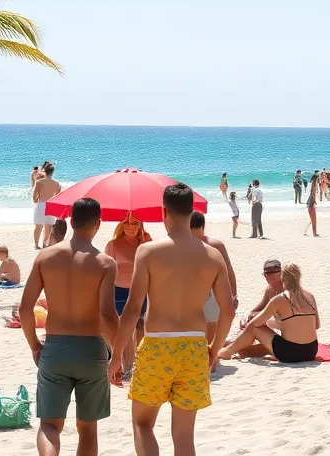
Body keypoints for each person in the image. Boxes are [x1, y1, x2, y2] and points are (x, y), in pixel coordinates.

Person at [108, 183, 233, 456]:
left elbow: (131, 310)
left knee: (142, 424)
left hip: (157, 345)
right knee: (184, 438)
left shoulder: (149, 251)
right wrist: (215, 349)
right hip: (194, 346)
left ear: (164, 211)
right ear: (193, 211)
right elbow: (228, 310)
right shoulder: (212, 256)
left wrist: (116, 355)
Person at [20, 196, 119, 456]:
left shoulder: (46, 256)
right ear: (99, 223)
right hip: (91, 350)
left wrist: (34, 346)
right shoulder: (105, 263)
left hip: (55, 348)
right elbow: (108, 316)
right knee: (88, 428)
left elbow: (24, 309)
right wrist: (118, 354)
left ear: (71, 221)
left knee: (50, 426)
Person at [218, 263, 320, 363]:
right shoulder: (310, 296)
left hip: (290, 353)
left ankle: (229, 351)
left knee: (254, 328)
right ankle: (237, 348)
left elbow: (255, 324)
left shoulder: (279, 299)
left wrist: (268, 322)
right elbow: (316, 325)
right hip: (311, 351)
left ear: (282, 278)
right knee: (253, 343)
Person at [105, 214, 152, 377]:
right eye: (127, 223)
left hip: (140, 290)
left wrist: (145, 239)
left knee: (140, 326)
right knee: (124, 328)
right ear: (121, 225)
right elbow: (107, 270)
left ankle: (141, 363)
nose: (131, 227)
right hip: (119, 290)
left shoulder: (146, 240)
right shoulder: (113, 245)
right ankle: (127, 366)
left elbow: (153, 262)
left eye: (135, 223)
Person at [190, 212, 238, 350]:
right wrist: (234, 294)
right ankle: (211, 359)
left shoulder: (182, 245)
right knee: (212, 324)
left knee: (195, 325)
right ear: (203, 225)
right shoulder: (216, 244)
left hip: (190, 290)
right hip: (214, 288)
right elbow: (229, 271)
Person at [240, 258, 284, 331]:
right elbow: (257, 309)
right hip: (278, 326)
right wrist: (247, 317)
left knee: (255, 325)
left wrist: (254, 318)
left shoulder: (287, 291)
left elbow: (281, 317)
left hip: (288, 328)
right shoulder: (270, 290)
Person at [33, 162, 61, 250]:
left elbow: (34, 197)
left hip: (41, 204)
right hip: (51, 205)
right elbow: (57, 196)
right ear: (52, 172)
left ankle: (37, 245)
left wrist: (36, 200)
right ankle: (45, 244)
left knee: (39, 226)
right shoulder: (56, 183)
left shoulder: (39, 182)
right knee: (48, 225)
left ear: (44, 171)